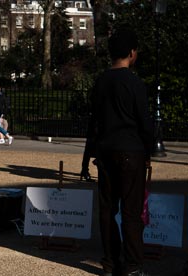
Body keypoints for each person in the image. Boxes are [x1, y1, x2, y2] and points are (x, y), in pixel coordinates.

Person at [88, 28, 153, 276]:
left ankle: (110, 262)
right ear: (132, 53)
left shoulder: (101, 81)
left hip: (105, 150)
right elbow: (144, 122)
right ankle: (133, 265)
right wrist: (147, 150)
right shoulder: (134, 83)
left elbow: (94, 120)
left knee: (107, 209)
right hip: (130, 150)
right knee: (131, 212)